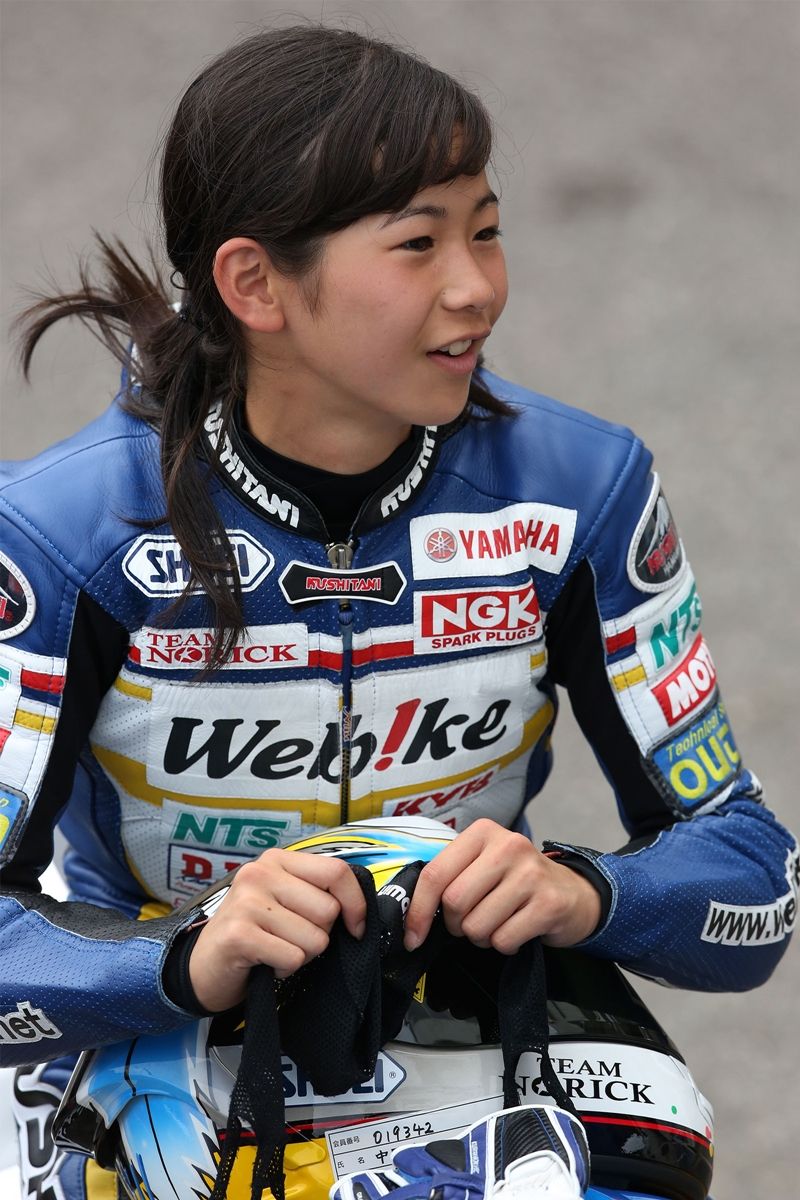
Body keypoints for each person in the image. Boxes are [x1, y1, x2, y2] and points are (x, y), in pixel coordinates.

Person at [0, 22, 796, 1200]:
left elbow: (753, 886)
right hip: (150, 1032)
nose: (476, 287)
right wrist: (188, 953)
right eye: (418, 243)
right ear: (253, 284)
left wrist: (585, 891)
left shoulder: (580, 491)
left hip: (472, 1023)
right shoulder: (58, 537)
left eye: (486, 229)